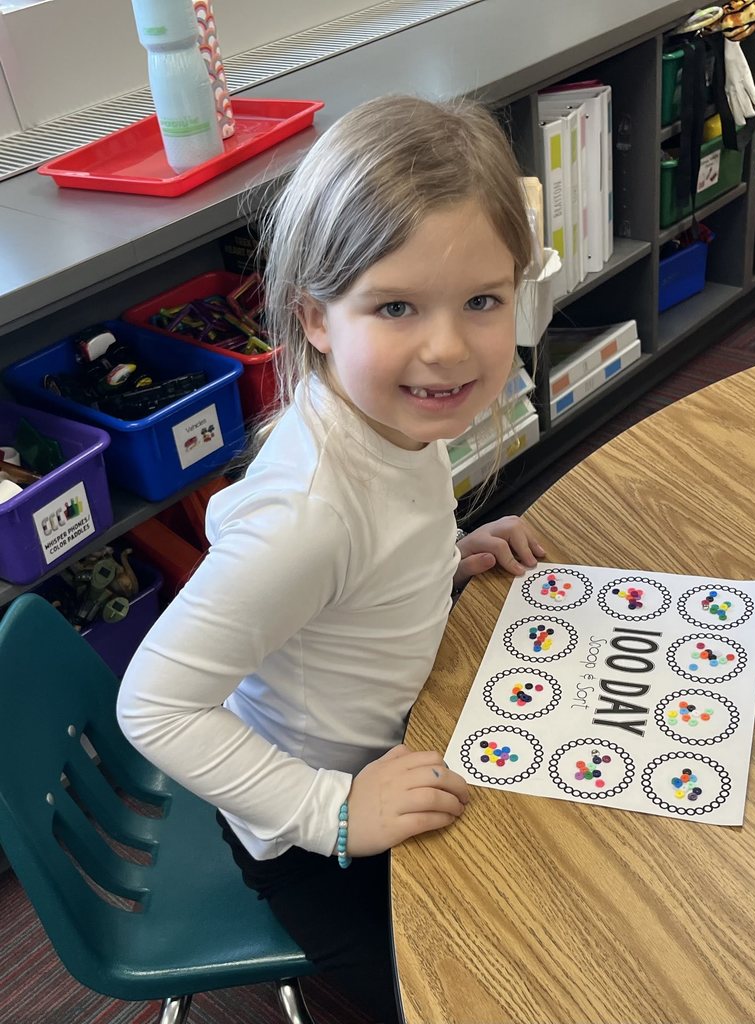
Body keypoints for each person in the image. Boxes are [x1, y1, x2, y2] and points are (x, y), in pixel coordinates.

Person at [117, 94, 545, 1024]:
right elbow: (152, 704)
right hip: (309, 841)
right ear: (316, 319)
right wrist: (333, 812)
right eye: (395, 306)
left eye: (481, 300)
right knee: (490, 996)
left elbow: (372, 554)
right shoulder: (307, 517)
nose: (447, 347)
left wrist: (443, 558)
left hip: (386, 744)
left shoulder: (392, 413)